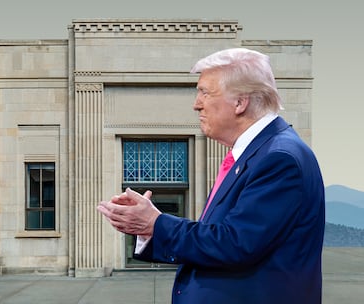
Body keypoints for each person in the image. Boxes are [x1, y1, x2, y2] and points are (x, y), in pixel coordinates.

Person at [97, 48, 325, 304]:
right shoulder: (258, 153)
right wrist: (149, 226)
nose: (196, 104)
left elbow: (235, 244)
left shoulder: (279, 158)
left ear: (240, 102)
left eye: (205, 92)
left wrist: (155, 223)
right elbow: (218, 238)